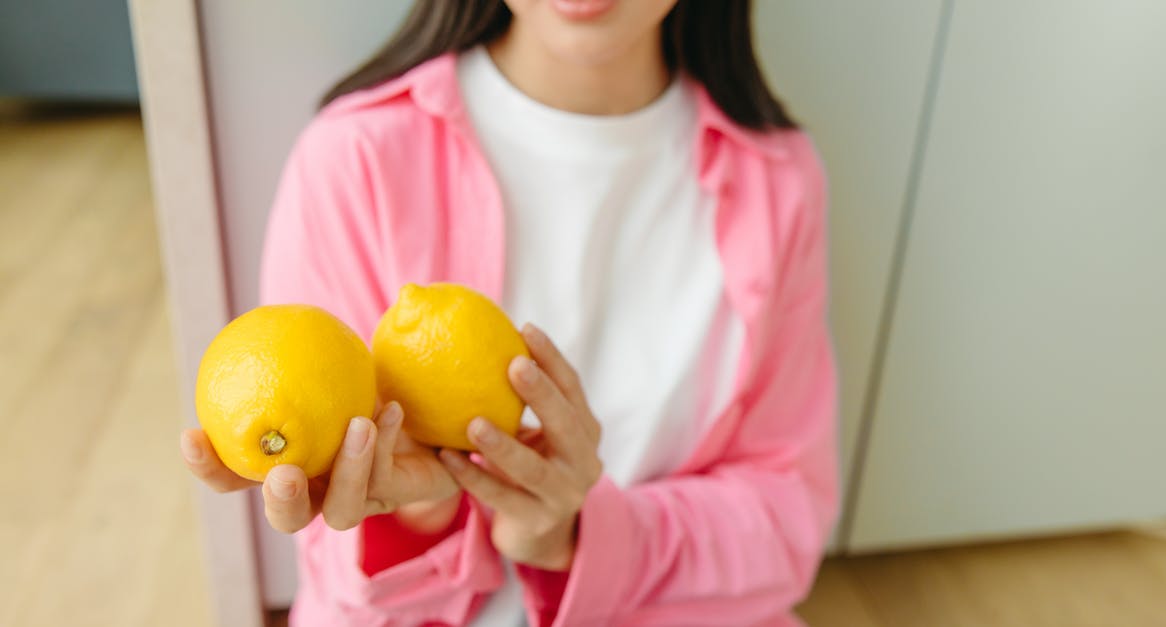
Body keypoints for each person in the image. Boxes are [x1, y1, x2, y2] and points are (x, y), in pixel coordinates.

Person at [179, 0, 839, 624]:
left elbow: (787, 519)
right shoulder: (356, 160)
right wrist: (420, 515)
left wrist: (579, 537)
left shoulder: (779, 182)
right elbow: (338, 570)